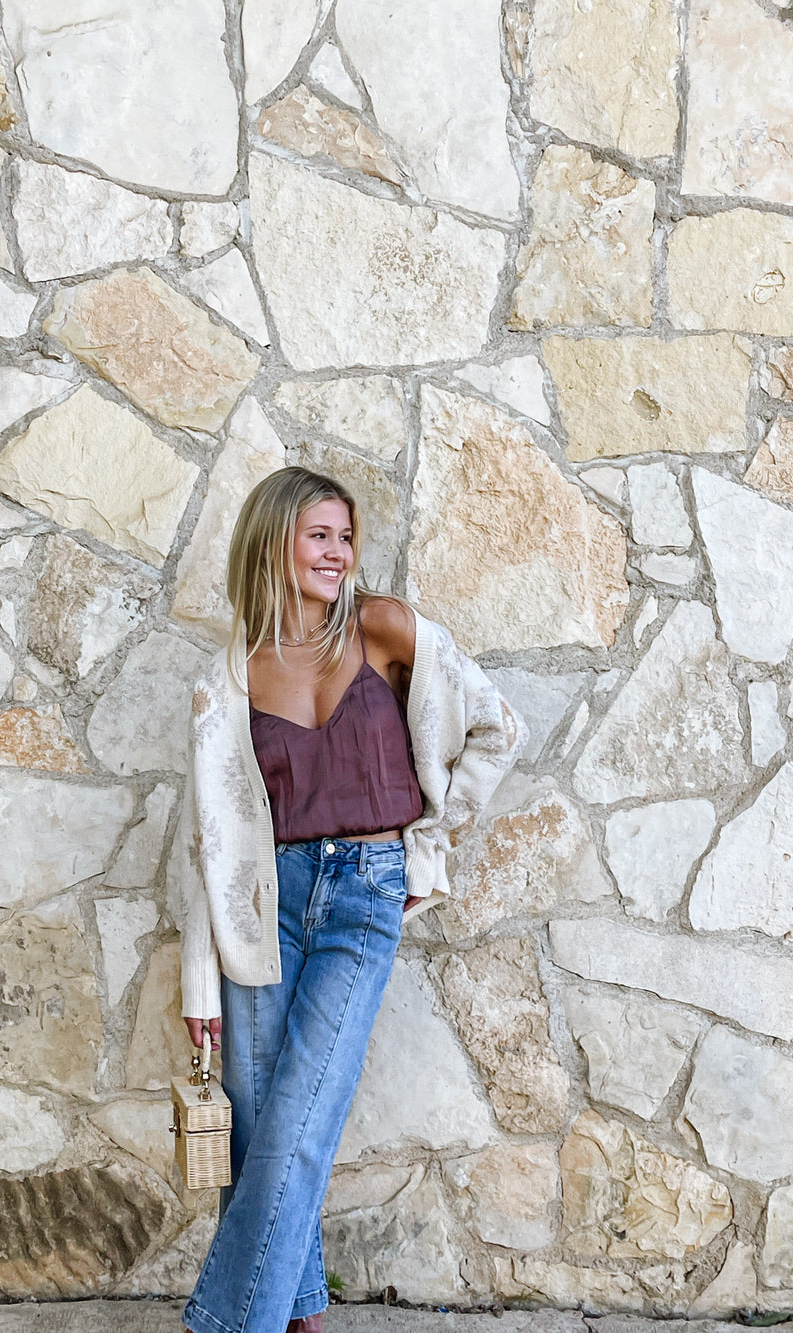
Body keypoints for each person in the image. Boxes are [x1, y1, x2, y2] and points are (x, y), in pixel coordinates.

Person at [175, 467, 523, 1333]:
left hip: (364, 892)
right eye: (318, 535)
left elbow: (496, 727)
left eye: (344, 536)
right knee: (261, 1127)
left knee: (303, 1112)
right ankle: (299, 1314)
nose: (338, 553)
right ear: (273, 540)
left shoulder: (382, 628)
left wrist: (428, 849)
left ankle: (226, 1324)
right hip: (262, 906)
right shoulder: (230, 675)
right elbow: (202, 842)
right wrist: (197, 984)